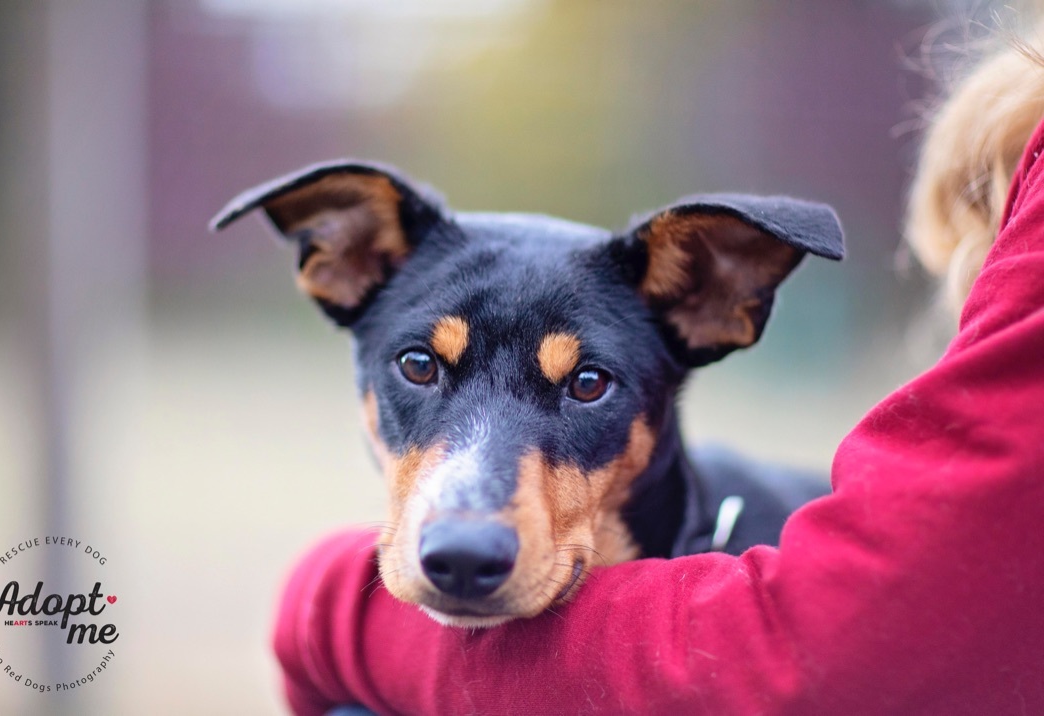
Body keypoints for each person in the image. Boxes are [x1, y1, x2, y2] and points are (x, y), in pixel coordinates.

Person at [272, 21, 1044, 716]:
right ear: (349, 266)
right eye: (420, 367)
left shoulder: (794, 546)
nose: (468, 523)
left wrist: (333, 609)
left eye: (585, 385)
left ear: (706, 300)